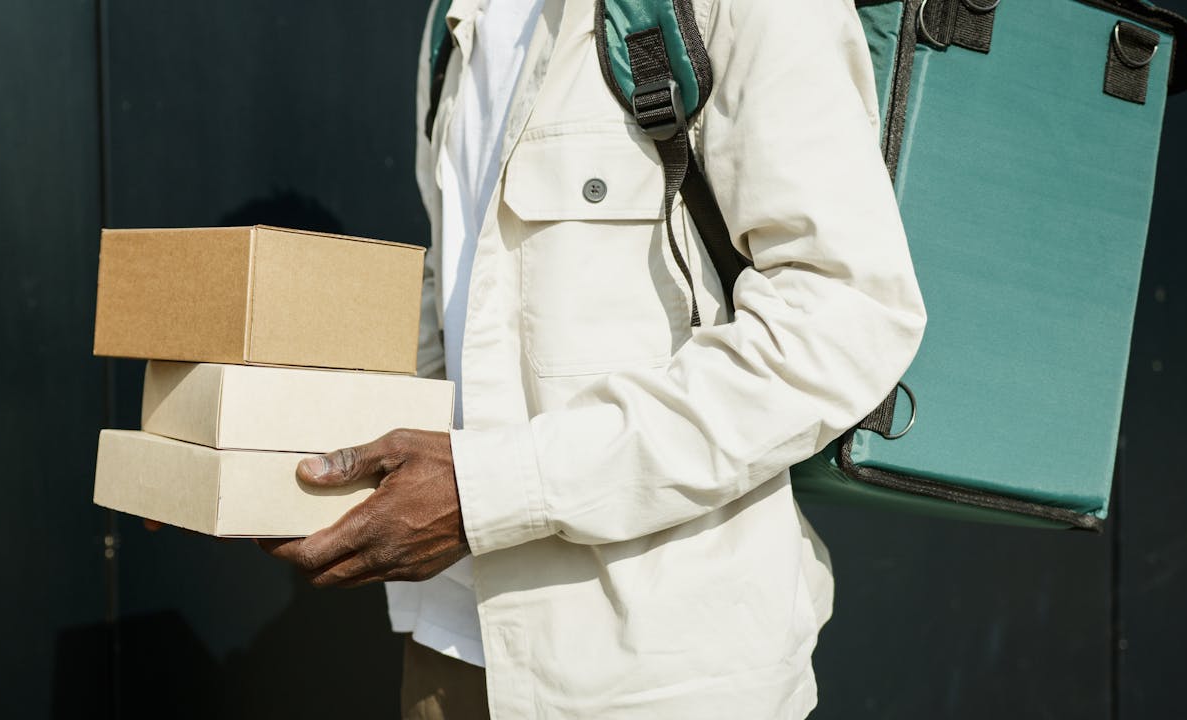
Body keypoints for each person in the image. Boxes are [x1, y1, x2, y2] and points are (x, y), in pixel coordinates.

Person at [260, 0, 926, 717]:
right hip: (448, 655)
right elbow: (451, 303)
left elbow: (844, 319)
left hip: (660, 677)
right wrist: (239, 458)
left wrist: (488, 492)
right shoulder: (454, 19)